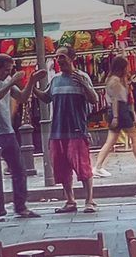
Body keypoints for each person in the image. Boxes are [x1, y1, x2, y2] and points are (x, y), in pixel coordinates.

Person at [0, 54, 44, 219]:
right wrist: (11, 82)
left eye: (10, 70)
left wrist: (31, 81)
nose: (7, 73)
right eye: (5, 70)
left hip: (7, 131)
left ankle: (20, 206)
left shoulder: (7, 80)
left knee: (19, 170)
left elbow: (22, 97)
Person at [33, 48, 99, 213]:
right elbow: (46, 97)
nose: (59, 60)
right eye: (57, 57)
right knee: (61, 168)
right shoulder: (55, 79)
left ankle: (89, 200)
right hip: (57, 131)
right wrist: (31, 86)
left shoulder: (82, 77)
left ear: (72, 58)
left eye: (62, 57)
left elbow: (94, 99)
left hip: (77, 129)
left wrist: (84, 85)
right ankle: (70, 200)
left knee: (83, 166)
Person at [94, 55, 136, 177]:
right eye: (126, 67)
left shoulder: (115, 79)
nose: (128, 68)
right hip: (120, 111)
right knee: (135, 138)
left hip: (119, 111)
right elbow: (115, 99)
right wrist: (116, 117)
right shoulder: (114, 80)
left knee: (111, 140)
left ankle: (98, 166)